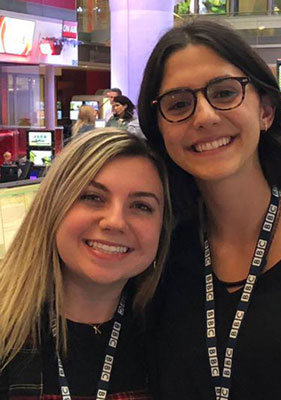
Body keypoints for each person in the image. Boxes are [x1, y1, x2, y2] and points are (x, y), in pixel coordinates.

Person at [138, 20, 281, 399]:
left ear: (265, 110)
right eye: (179, 104)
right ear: (159, 129)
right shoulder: (155, 254)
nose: (205, 117)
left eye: (225, 93)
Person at [0, 129, 173, 399]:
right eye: (92, 197)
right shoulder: (8, 331)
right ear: (54, 205)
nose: (115, 221)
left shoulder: (175, 338)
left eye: (141, 206)